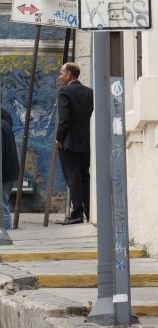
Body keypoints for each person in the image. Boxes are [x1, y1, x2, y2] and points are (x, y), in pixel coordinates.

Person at [55, 62, 94, 225]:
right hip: (86, 142)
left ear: (69, 75)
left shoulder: (64, 92)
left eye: (62, 73)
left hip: (69, 143)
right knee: (84, 176)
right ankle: (88, 211)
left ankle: (76, 213)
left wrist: (59, 138)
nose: (60, 76)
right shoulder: (89, 92)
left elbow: (64, 120)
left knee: (73, 177)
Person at [0, 108, 20, 230]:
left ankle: (7, 232)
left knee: (2, 206)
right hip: (9, 172)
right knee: (3, 204)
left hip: (4, 173)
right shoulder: (5, 125)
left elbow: (0, 153)